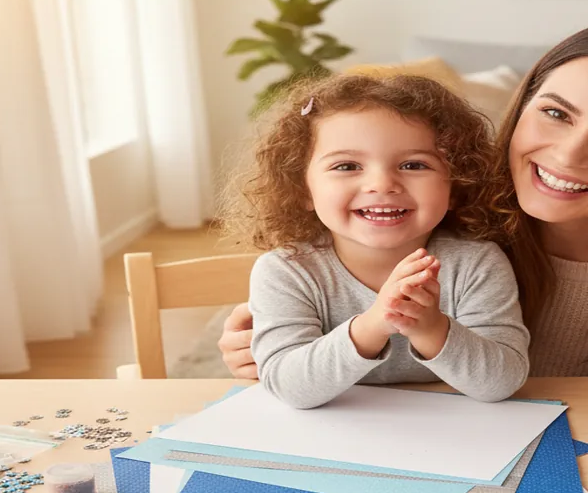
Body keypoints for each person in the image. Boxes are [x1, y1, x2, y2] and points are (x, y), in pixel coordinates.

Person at [218, 18, 588, 381]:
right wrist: (267, 351)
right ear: (522, 103)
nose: (569, 155)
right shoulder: (432, 217)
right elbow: (318, 313)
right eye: (555, 113)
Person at [222, 73, 529, 409]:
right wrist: (373, 325)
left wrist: (430, 328)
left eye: (413, 164)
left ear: (457, 185)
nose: (382, 184)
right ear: (302, 190)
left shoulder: (477, 263)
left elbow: (503, 381)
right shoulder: (286, 271)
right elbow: (288, 386)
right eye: (347, 166)